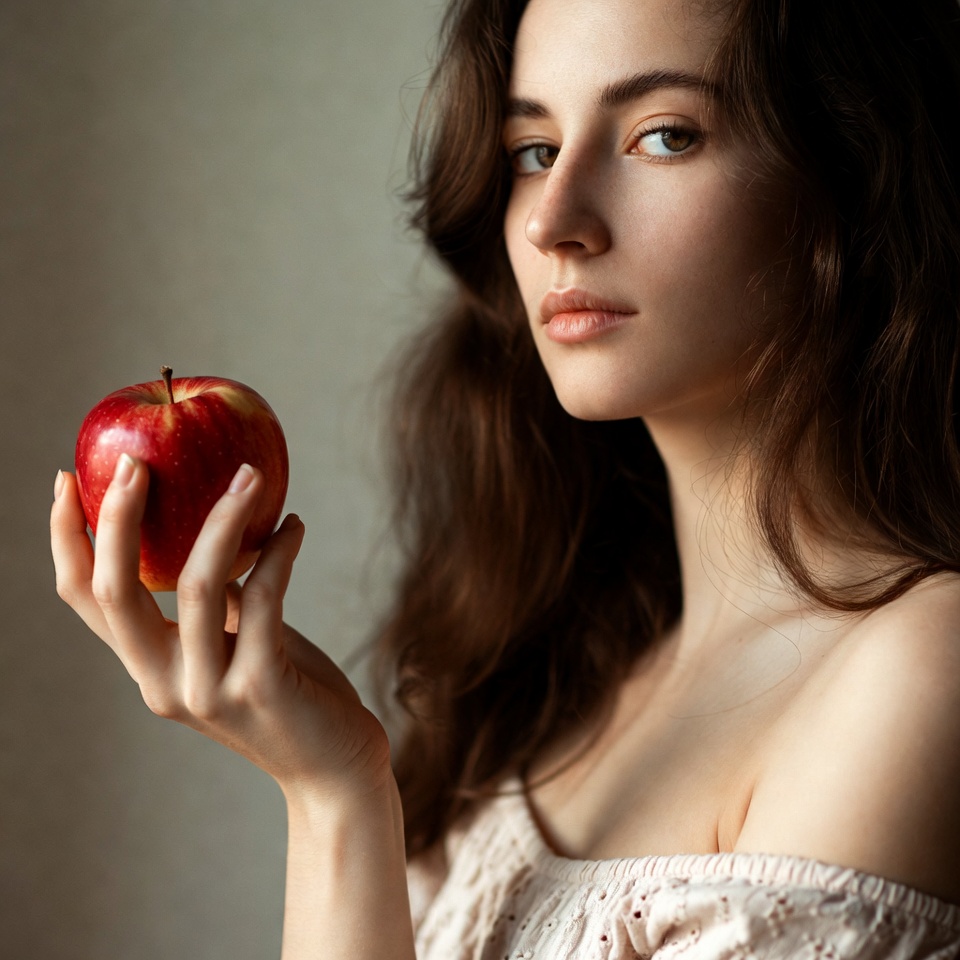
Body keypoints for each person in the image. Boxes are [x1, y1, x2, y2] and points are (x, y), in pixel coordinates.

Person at [51, 0, 960, 956]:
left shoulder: (918, 671)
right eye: (533, 149)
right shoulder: (566, 669)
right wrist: (328, 788)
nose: (555, 222)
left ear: (853, 174)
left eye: (663, 136)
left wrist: (338, 804)